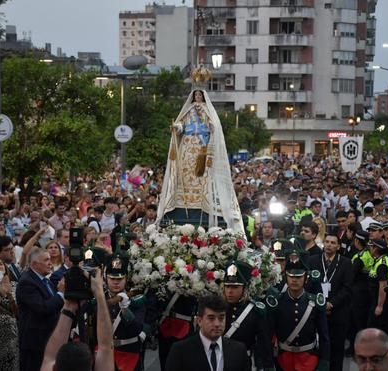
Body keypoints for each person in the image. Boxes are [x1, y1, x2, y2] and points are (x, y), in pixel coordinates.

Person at [157, 88, 243, 232]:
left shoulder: (207, 109)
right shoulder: (188, 110)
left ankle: (201, 196)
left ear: (203, 97)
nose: (197, 97)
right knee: (186, 169)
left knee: (201, 172)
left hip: (202, 145)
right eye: (195, 95)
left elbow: (213, 125)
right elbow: (182, 125)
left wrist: (211, 127)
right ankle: (182, 196)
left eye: (199, 95)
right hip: (187, 143)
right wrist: (177, 127)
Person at [40, 268, 114, 371]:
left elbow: (50, 357)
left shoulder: (50, 366)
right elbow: (106, 347)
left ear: (53, 368)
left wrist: (69, 306)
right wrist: (99, 293)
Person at [271, 248, 329, 371]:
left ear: (306, 278)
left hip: (308, 359)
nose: (294, 280)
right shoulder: (277, 302)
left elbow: (324, 334)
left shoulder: (314, 303)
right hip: (283, 360)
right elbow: (268, 334)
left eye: (298, 276)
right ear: (286, 277)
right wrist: (268, 363)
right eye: (291, 276)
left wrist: (324, 361)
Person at [165, 294, 251, 371]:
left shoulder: (239, 350)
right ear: (199, 320)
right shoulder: (180, 350)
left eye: (221, 318)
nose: (217, 324)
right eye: (211, 318)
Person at [307, 234, 352, 371]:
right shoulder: (312, 260)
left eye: (333, 242)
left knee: (336, 350)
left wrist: (331, 304)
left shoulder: (345, 262)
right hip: (315, 311)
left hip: (337, 313)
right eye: (326, 242)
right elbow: (307, 285)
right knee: (315, 349)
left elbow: (347, 288)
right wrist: (318, 303)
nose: (329, 245)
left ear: (338, 246)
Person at [16, 248, 65, 371]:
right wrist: (60, 294)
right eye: (46, 260)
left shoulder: (44, 280)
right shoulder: (27, 282)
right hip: (35, 342)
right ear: (34, 264)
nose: (50, 263)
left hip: (48, 338)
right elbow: (42, 308)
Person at [221, 260, 274, 370]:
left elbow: (263, 344)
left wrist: (266, 367)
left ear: (244, 288)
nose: (230, 291)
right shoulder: (218, 308)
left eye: (235, 287)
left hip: (243, 363)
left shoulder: (255, 311)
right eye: (227, 286)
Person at [104, 253, 147, 371]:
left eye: (120, 278)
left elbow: (137, 328)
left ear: (126, 278)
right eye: (112, 278)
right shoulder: (99, 299)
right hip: (104, 355)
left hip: (128, 354)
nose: (116, 282)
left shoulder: (136, 300)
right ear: (105, 278)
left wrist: (125, 309)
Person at [367, 239, 388, 344]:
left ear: (376, 248)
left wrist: (379, 306)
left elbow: (382, 286)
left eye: (371, 246)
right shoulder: (378, 260)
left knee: (382, 328)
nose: (369, 248)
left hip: (382, 301)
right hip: (376, 299)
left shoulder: (382, 264)